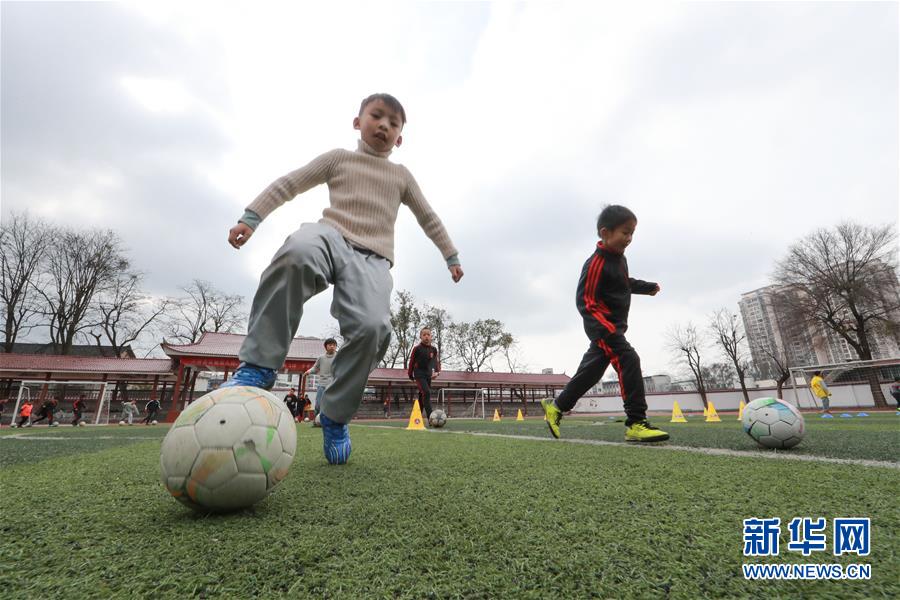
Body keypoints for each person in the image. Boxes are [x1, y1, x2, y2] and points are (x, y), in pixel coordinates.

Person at [220, 93, 463, 465]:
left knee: (373, 329)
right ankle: (258, 366)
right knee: (297, 252)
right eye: (376, 116)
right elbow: (290, 183)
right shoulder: (338, 159)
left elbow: (428, 217)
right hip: (330, 236)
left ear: (399, 138)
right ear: (357, 122)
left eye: (393, 123)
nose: (383, 125)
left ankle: (334, 415)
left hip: (373, 258)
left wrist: (451, 256)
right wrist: (251, 217)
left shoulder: (401, 176)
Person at [541, 205, 669, 442]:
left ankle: (556, 407)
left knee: (590, 373)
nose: (629, 238)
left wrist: (646, 287)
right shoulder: (596, 263)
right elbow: (585, 301)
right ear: (605, 233)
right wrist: (607, 329)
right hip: (604, 328)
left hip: (613, 328)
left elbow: (622, 283)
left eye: (632, 233)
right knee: (629, 359)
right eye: (625, 232)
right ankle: (636, 423)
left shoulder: (619, 259)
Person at [408, 327, 441, 424]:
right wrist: (410, 373)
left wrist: (437, 372)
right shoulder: (417, 349)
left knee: (422, 395)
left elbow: (435, 362)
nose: (426, 336)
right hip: (419, 374)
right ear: (420, 337)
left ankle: (417, 418)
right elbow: (411, 361)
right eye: (424, 335)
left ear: (431, 337)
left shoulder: (434, 349)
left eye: (428, 335)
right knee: (426, 392)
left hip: (428, 375)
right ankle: (431, 418)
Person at [301, 339, 339, 420]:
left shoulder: (339, 357)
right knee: (318, 404)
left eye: (334, 345)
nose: (332, 346)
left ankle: (331, 421)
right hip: (321, 384)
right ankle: (317, 420)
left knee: (331, 404)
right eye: (330, 345)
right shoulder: (321, 358)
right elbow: (315, 368)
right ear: (326, 347)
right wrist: (308, 371)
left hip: (333, 385)